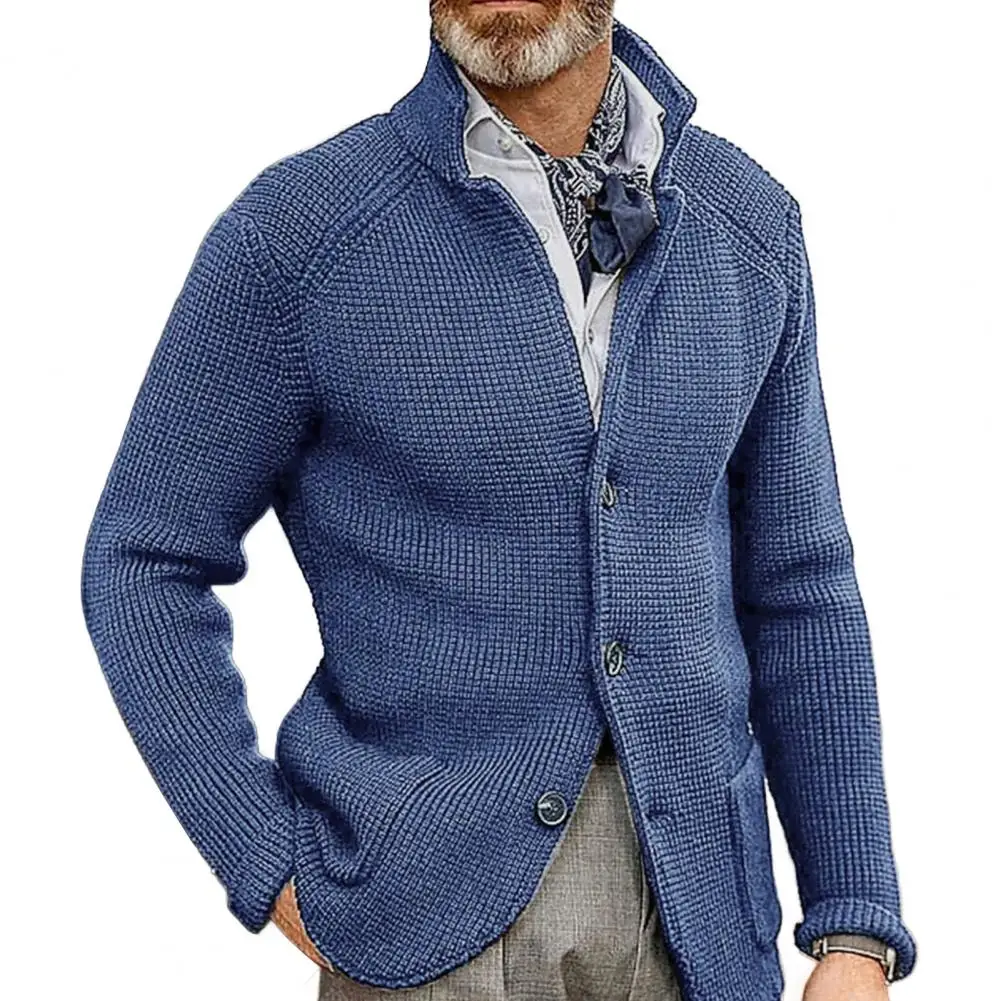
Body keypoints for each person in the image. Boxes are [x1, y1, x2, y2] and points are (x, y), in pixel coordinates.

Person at [80, 2, 918, 999]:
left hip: (702, 919)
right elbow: (145, 554)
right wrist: (260, 853)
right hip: (417, 917)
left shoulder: (747, 224)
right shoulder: (301, 234)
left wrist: (853, 920)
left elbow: (798, 584)